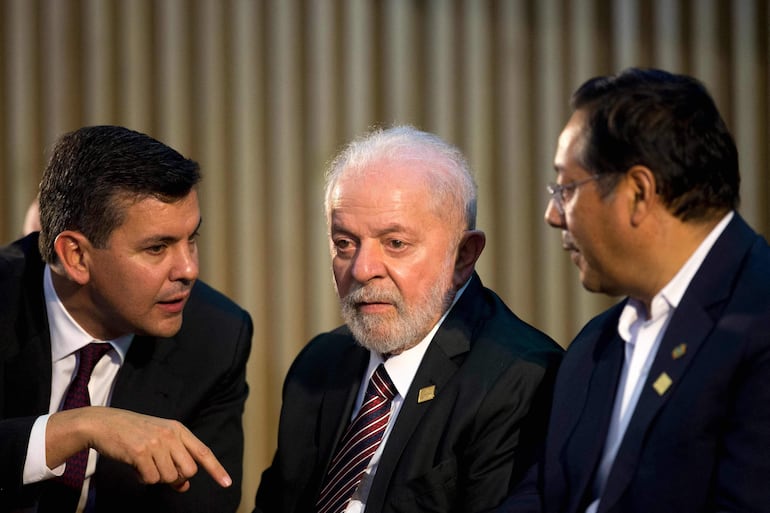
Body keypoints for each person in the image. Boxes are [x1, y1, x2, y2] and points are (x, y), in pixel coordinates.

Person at [499, 68, 770, 513]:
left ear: (639, 192)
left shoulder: (757, 326)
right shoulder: (595, 346)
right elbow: (541, 495)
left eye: (567, 188)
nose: (552, 214)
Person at [252, 125, 563, 513]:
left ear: (464, 255)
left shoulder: (521, 378)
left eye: (395, 244)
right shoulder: (318, 366)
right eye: (344, 244)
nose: (363, 269)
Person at [0, 125, 253, 513]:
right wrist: (81, 427)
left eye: (191, 239)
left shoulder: (217, 336)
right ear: (76, 256)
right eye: (157, 248)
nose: (188, 269)